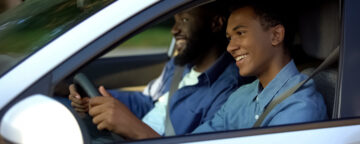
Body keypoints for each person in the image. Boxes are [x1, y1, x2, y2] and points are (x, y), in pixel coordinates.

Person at [69, 2, 253, 140]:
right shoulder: (180, 64)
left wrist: (133, 128)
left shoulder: (229, 91)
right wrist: (95, 103)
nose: (174, 29)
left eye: (185, 19)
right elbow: (147, 102)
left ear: (215, 24)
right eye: (175, 20)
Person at [193, 0, 327, 133]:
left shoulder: (301, 107)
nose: (230, 47)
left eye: (240, 33)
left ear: (276, 35)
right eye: (229, 38)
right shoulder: (240, 95)